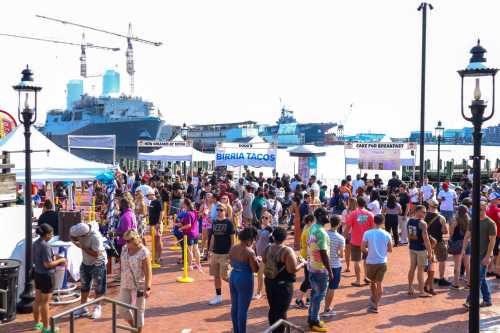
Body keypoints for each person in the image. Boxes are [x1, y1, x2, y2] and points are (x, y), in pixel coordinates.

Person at [264, 227, 305, 333]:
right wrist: (303, 264)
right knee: (281, 312)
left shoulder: (268, 248)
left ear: (273, 237)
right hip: (283, 286)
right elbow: (292, 270)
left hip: (270, 283)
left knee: (272, 308)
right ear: (285, 238)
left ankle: (273, 330)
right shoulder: (286, 250)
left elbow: (264, 260)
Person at [32, 224, 66, 333]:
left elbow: (41, 258)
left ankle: (37, 323)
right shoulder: (45, 245)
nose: (52, 235)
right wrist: (61, 260)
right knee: (45, 302)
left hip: (37, 274)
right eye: (51, 234)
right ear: (46, 234)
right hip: (46, 276)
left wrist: (56, 256)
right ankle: (46, 328)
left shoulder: (36, 243)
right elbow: (48, 264)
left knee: (37, 300)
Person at [70, 222, 108, 319]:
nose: (75, 239)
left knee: (99, 286)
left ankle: (97, 307)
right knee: (84, 285)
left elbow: (96, 254)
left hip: (98, 263)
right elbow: (72, 236)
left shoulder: (95, 237)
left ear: (84, 234)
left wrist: (82, 247)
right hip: (85, 261)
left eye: (76, 237)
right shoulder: (80, 229)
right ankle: (83, 307)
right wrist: (74, 240)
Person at [463, 200, 497, 309]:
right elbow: (467, 236)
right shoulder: (473, 221)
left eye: (481, 209)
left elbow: (492, 241)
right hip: (475, 254)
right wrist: (463, 249)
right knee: (480, 278)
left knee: (477, 278)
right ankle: (487, 300)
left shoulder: (490, 223)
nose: (478, 211)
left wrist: (488, 257)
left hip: (484, 255)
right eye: (476, 209)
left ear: (485, 209)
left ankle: (470, 300)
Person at [119, 230, 152, 333]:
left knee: (138, 313)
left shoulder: (143, 252)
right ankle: (134, 327)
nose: (126, 243)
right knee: (122, 310)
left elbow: (148, 273)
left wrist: (148, 288)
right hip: (125, 283)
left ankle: (137, 330)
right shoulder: (124, 249)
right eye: (125, 241)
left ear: (135, 239)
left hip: (139, 286)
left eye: (128, 241)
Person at [229, 227, 260, 333]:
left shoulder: (233, 247)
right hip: (244, 278)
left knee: (235, 306)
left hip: (233, 276)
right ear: (250, 239)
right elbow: (255, 269)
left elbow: (231, 262)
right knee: (243, 309)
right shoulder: (249, 251)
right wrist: (257, 260)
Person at [306, 208, 332, 332]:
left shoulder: (312, 228)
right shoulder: (321, 232)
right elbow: (323, 253)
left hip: (312, 267)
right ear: (320, 216)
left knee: (314, 294)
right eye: (326, 214)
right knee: (319, 296)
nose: (328, 215)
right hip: (320, 270)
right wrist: (330, 271)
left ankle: (311, 317)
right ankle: (314, 321)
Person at [361, 214, 392, 313]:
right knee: (380, 283)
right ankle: (376, 305)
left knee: (372, 283)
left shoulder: (367, 233)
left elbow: (362, 248)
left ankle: (374, 301)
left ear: (374, 221)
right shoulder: (387, 234)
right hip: (382, 262)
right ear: (383, 222)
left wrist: (369, 252)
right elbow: (390, 249)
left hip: (371, 262)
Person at [207, 203, 235, 305]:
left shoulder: (229, 223)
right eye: (218, 210)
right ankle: (218, 296)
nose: (219, 212)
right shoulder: (214, 222)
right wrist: (209, 250)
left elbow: (232, 239)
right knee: (216, 275)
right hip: (215, 253)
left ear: (225, 211)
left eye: (221, 210)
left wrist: (230, 253)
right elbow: (213, 237)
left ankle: (235, 292)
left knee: (225, 276)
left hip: (225, 253)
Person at [344, 197, 374, 287]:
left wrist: (344, 237)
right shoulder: (370, 214)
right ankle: (366, 277)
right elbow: (373, 229)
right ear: (365, 204)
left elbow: (347, 227)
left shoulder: (353, 214)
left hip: (355, 241)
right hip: (367, 241)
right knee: (366, 260)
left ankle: (358, 280)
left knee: (357, 261)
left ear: (357, 204)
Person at [407, 205, 433, 297]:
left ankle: (410, 287)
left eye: (425, 212)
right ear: (417, 211)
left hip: (412, 248)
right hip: (421, 249)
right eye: (423, 212)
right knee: (420, 270)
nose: (424, 214)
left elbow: (409, 236)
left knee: (412, 268)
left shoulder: (410, 220)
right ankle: (421, 292)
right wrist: (430, 252)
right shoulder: (422, 223)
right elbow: (426, 239)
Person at [424, 199, 450, 287]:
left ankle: (431, 278)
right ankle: (441, 278)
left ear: (429, 206)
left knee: (430, 260)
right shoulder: (441, 218)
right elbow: (445, 231)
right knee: (442, 259)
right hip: (438, 241)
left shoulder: (424, 216)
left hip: (427, 242)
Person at [323, 215, 345, 317]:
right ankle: (327, 309)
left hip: (323, 265)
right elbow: (341, 254)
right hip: (335, 265)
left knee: (324, 287)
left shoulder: (324, 234)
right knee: (332, 288)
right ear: (339, 224)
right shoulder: (340, 238)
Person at [295, 214, 315, 309]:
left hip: (305, 255)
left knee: (309, 279)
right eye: (313, 221)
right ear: (310, 221)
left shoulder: (306, 229)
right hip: (307, 257)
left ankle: (308, 299)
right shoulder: (308, 231)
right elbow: (309, 246)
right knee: (308, 279)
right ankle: (299, 299)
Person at [448, 205, 470, 289]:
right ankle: (469, 282)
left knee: (457, 265)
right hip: (467, 243)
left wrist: (450, 237)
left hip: (457, 243)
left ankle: (456, 283)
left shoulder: (455, 220)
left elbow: (451, 233)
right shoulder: (469, 220)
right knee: (467, 264)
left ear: (458, 211)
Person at [254, 210, 273, 299]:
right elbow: (257, 240)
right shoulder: (259, 227)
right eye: (263, 217)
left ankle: (259, 292)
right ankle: (266, 291)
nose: (264, 219)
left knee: (260, 273)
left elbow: (273, 241)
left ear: (269, 219)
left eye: (266, 218)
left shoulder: (270, 229)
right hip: (259, 254)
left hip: (266, 255)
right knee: (263, 274)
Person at [179, 198, 201, 270]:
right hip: (196, 233)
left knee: (189, 250)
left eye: (182, 203)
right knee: (196, 249)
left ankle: (190, 265)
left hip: (189, 234)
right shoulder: (194, 212)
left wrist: (181, 228)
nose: (181, 204)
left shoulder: (188, 213)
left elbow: (188, 225)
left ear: (185, 204)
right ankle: (198, 264)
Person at [147, 190, 163, 264]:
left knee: (158, 240)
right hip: (152, 224)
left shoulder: (158, 202)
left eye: (148, 195)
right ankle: (155, 256)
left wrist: (159, 223)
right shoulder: (152, 202)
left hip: (156, 224)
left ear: (152, 195)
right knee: (154, 240)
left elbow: (161, 212)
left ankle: (159, 257)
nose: (147, 197)